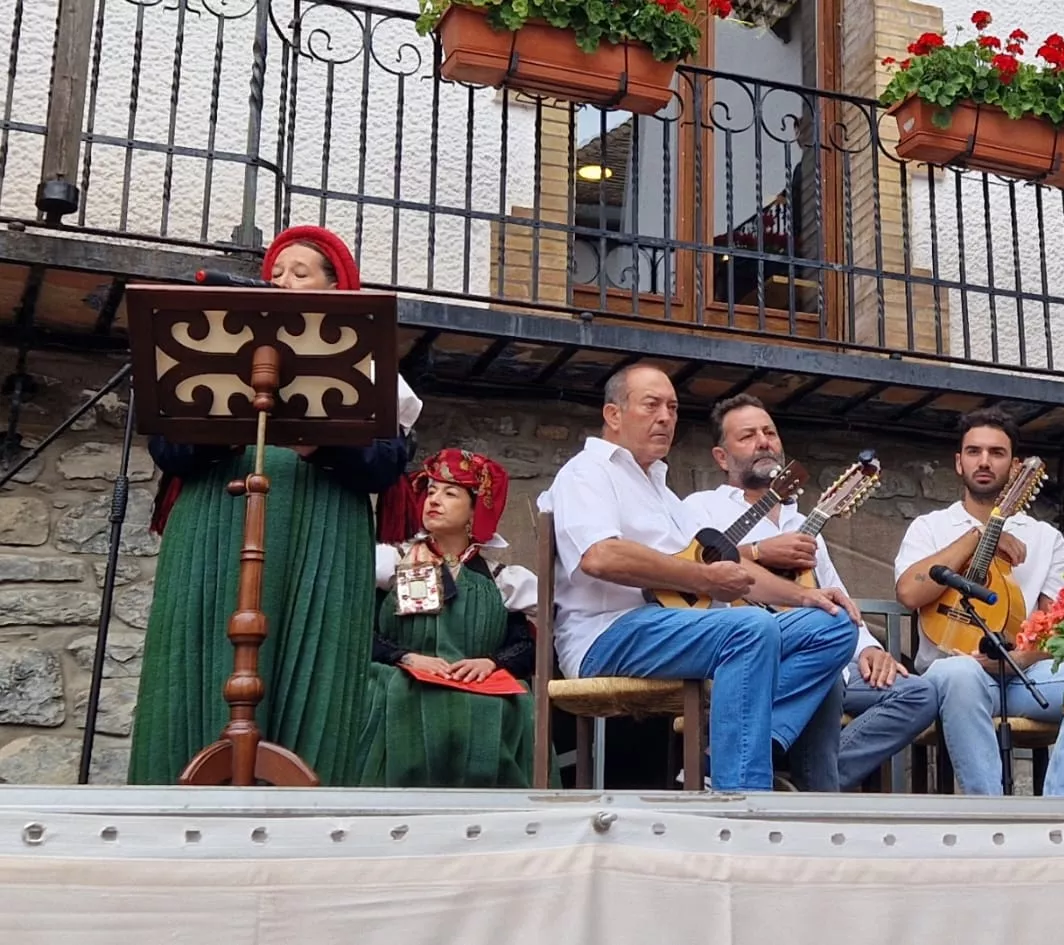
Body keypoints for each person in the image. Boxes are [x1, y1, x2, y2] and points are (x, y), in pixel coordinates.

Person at [128, 225, 420, 786]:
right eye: (275, 275)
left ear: (339, 290)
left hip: (322, 524)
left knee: (316, 665)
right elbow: (169, 450)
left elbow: (385, 467)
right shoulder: (210, 354)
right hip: (217, 517)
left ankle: (305, 800)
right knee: (199, 652)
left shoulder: (380, 375)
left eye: (300, 273)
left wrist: (319, 441)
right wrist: (230, 423)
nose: (281, 282)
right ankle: (179, 796)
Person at [538, 364, 860, 792]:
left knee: (834, 624)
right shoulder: (587, 472)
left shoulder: (663, 490)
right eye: (651, 405)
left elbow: (727, 566)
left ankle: (723, 755)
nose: (667, 417)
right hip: (608, 633)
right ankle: (742, 794)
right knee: (750, 628)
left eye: (672, 407)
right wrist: (703, 578)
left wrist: (808, 598)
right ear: (613, 415)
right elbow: (600, 556)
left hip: (678, 628)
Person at [678, 394, 937, 792]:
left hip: (823, 652)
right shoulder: (702, 507)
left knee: (918, 693)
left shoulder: (805, 524)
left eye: (770, 432)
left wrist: (868, 648)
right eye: (747, 436)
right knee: (827, 677)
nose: (764, 442)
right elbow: (695, 569)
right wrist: (760, 550)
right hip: (750, 652)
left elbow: (834, 594)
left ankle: (793, 775)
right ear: (721, 456)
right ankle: (816, 793)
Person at [893, 408, 1064, 796]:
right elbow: (909, 593)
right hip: (948, 672)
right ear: (959, 462)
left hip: (1021, 675)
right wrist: (976, 537)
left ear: (1016, 467)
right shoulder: (929, 528)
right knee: (960, 674)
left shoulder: (1043, 537)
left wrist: (1022, 659)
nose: (984, 461)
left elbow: (1059, 624)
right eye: (973, 451)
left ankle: (1060, 811)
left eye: (996, 453)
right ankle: (990, 815)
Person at [359, 448, 542, 788]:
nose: (434, 500)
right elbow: (357, 632)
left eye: (450, 493)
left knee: (507, 703)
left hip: (476, 685)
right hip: (400, 681)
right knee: (399, 697)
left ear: (475, 511)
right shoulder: (390, 564)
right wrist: (407, 658)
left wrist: (491, 663)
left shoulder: (500, 578)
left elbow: (526, 646)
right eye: (430, 492)